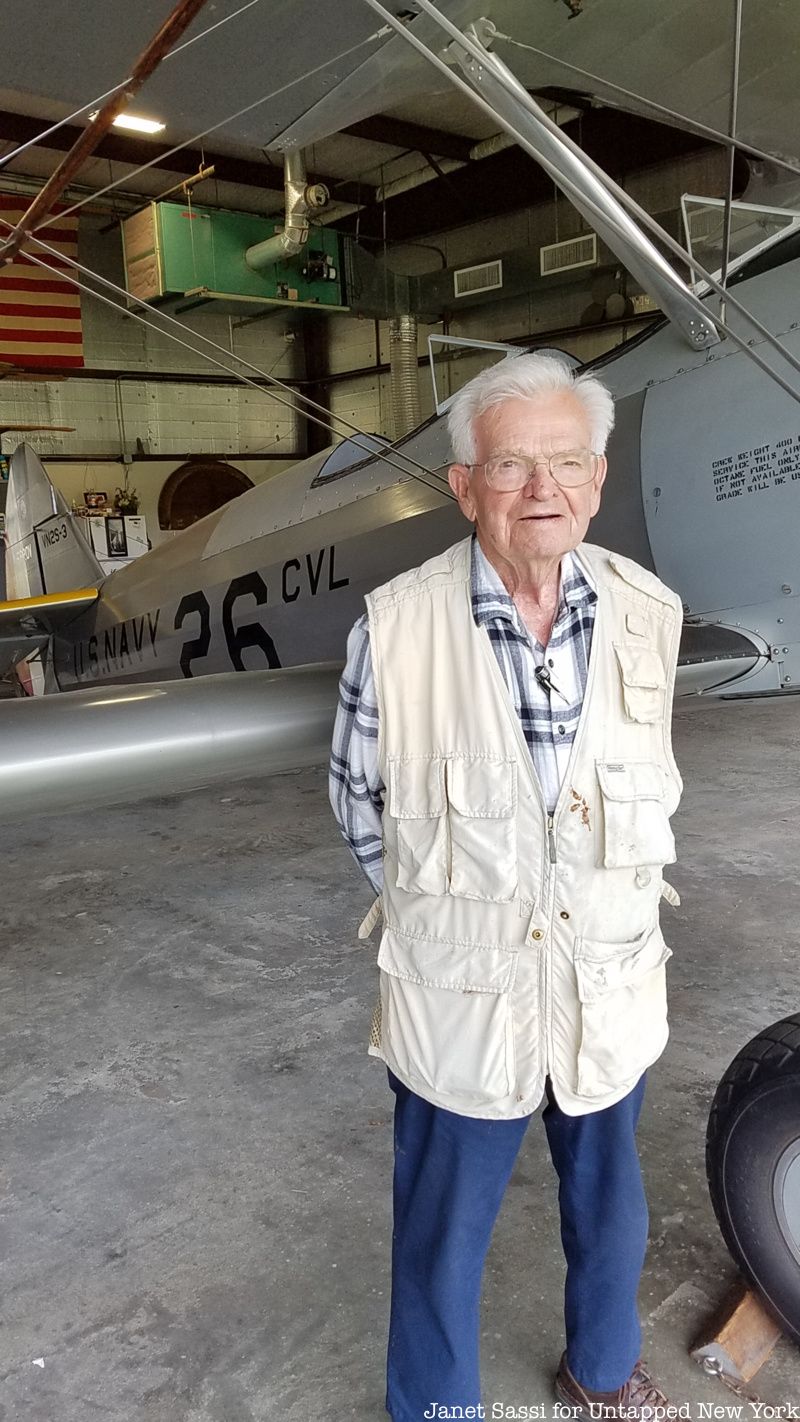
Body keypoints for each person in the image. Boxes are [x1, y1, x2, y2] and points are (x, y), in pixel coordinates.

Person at [329, 353, 683, 1422]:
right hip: (460, 992)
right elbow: (360, 807)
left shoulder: (645, 611)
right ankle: (438, 1411)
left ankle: (605, 1372)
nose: (545, 489)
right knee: (439, 1234)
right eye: (514, 465)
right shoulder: (391, 627)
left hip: (604, 980)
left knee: (611, 1211)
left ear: (598, 471)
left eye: (568, 461)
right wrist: (468, 911)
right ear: (463, 483)